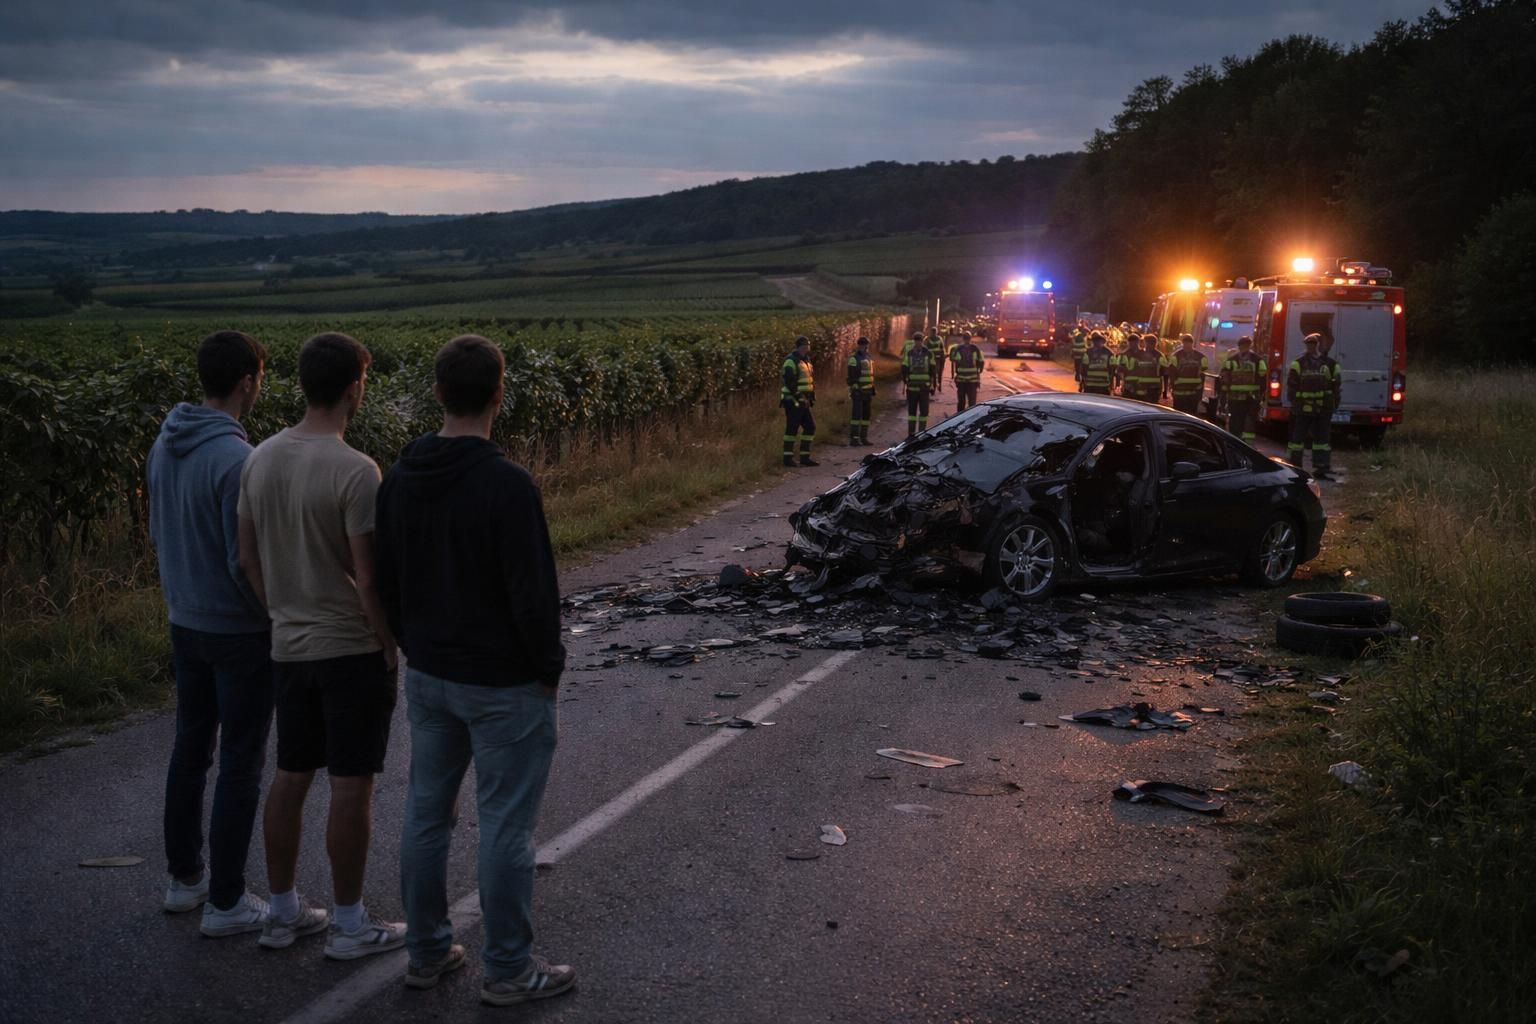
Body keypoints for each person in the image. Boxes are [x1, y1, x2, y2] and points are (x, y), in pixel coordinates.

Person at [376, 335, 575, 1006]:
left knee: (426, 814)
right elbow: (532, 593)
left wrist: (414, 642)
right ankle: (510, 970)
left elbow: (387, 579)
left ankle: (427, 952)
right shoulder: (506, 483)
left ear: (437, 393)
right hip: (503, 683)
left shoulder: (400, 477)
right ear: (499, 392)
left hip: (429, 675)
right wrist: (546, 667)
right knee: (506, 827)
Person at [238, 331, 404, 958]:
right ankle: (351, 923)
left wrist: (279, 612)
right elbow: (368, 577)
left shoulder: (259, 457)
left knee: (290, 774)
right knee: (350, 785)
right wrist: (387, 641)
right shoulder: (357, 470)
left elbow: (246, 557)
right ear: (355, 385)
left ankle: (281, 913)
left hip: (289, 646)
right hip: (348, 650)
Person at [148, 330, 274, 937]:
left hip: (184, 620)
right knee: (241, 763)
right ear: (247, 381)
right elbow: (243, 561)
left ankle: (184, 879)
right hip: (236, 631)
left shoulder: (164, 442)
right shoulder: (237, 460)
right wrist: (272, 615)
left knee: (190, 751)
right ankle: (227, 901)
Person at [1286, 333, 1338, 479]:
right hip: (1303, 408)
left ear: (1317, 345)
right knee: (1298, 438)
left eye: (1313, 344)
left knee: (1321, 439)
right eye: (1309, 344)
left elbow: (1334, 386)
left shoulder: (1328, 363)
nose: (1311, 347)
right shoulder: (1298, 363)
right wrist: (1295, 404)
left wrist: (1331, 404)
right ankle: (1295, 466)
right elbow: (1292, 386)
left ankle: (1321, 467)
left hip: (1321, 408)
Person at [780, 335, 817, 466]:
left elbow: (809, 381)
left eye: (807, 346)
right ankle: (788, 458)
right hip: (793, 401)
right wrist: (800, 398)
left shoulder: (806, 360)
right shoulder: (791, 361)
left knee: (810, 427)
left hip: (804, 401)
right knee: (792, 428)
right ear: (798, 347)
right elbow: (790, 383)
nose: (806, 348)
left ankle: (804, 457)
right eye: (804, 346)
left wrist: (810, 397)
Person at [1221, 336, 1266, 443]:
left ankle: (1234, 442)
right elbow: (1263, 378)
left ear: (1239, 346)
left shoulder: (1231, 360)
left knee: (1236, 421)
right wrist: (1261, 396)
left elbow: (1224, 379)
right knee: (1249, 422)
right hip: (1251, 397)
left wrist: (1223, 395)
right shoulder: (1258, 360)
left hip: (1235, 397)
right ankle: (1247, 445)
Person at [901, 336, 934, 436]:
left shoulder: (929, 353)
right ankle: (911, 433)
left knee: (924, 411)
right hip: (912, 388)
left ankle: (921, 433)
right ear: (914, 342)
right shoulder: (909, 353)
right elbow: (904, 367)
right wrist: (905, 380)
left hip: (924, 387)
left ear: (922, 341)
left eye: (920, 341)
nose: (918, 343)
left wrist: (932, 385)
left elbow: (933, 369)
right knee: (912, 412)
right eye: (916, 341)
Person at [845, 336, 875, 446]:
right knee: (856, 416)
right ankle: (854, 439)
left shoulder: (868, 357)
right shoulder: (854, 358)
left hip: (868, 390)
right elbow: (852, 376)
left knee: (866, 415)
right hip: (858, 391)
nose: (865, 346)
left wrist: (872, 388)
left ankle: (864, 438)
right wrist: (856, 388)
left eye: (866, 344)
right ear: (859, 345)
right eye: (862, 344)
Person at [1168, 334, 1206, 414]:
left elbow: (1203, 373)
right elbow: (1172, 373)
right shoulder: (1176, 356)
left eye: (1188, 344)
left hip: (1193, 392)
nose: (1186, 346)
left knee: (1190, 415)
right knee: (1179, 414)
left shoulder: (1201, 357)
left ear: (1192, 344)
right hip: (1180, 392)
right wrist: (1172, 385)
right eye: (1185, 344)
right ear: (1183, 343)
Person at [950, 331, 985, 412]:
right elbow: (981, 362)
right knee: (972, 403)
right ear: (970, 338)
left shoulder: (958, 348)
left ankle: (960, 418)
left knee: (961, 402)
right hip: (973, 381)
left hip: (961, 380)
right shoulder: (975, 348)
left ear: (963, 338)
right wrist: (978, 372)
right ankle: (970, 418)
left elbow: (952, 359)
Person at [1070, 324, 1088, 389]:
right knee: (1081, 367)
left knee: (1077, 366)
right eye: (1086, 332)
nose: (1086, 334)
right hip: (1081, 354)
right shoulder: (1081, 337)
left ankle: (1077, 376)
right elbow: (1083, 346)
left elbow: (1074, 344)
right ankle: (1078, 377)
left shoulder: (1077, 335)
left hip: (1077, 354)